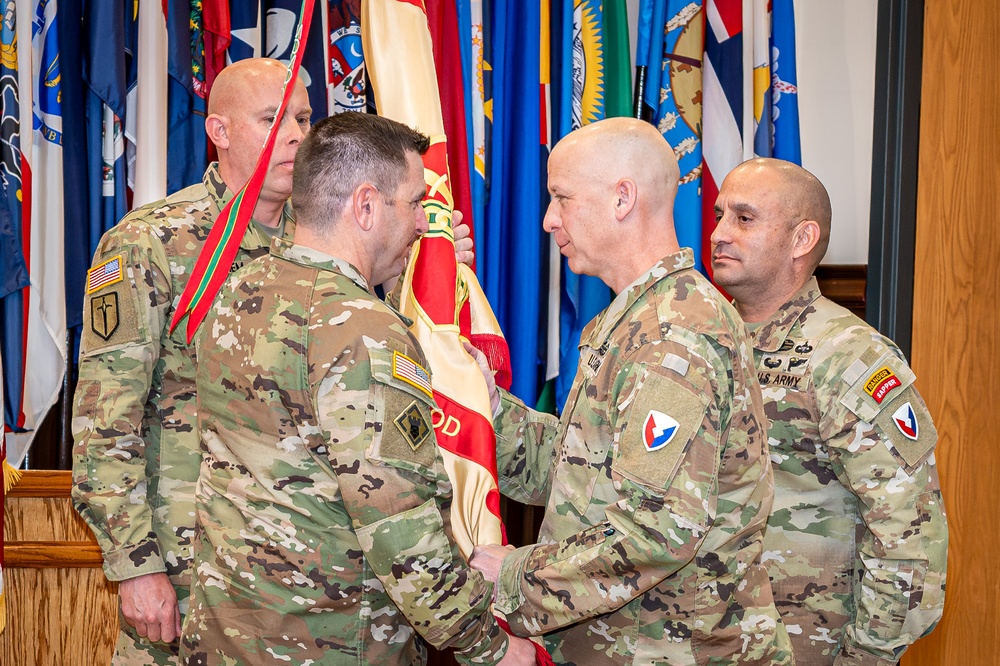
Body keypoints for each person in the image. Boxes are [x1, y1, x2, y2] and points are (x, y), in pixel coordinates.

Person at [178, 111, 536, 665]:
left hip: (229, 633)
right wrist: (487, 647)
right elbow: (403, 532)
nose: (424, 223)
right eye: (416, 202)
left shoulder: (238, 290)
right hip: (331, 642)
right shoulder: (364, 331)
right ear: (366, 205)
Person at [468, 117, 793, 665]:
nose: (549, 220)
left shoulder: (675, 334)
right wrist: (492, 413)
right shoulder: (636, 318)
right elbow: (585, 472)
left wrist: (515, 576)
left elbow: (656, 532)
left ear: (623, 198)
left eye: (561, 198)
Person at [71, 58, 311, 665]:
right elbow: (106, 422)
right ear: (220, 132)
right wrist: (135, 568)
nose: (296, 135)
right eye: (273, 117)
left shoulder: (322, 248)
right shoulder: (151, 241)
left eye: (305, 118)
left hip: (302, 577)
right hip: (189, 566)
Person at [710, 158, 948, 665]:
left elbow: (909, 531)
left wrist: (866, 657)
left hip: (805, 646)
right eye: (719, 215)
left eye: (744, 218)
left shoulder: (850, 355)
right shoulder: (703, 341)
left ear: (802, 239)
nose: (719, 233)